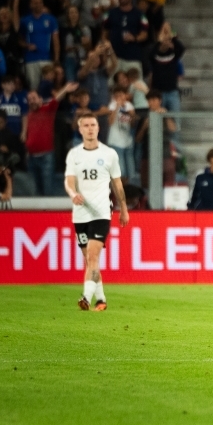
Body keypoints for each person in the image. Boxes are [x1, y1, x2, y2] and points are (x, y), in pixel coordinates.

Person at [65, 113, 129, 312]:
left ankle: (86, 296)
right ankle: (101, 299)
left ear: (98, 128)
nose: (90, 128)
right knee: (89, 260)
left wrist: (124, 209)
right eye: (86, 125)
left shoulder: (109, 154)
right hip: (80, 214)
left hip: (101, 212)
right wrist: (72, 193)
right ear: (80, 129)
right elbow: (69, 181)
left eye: (93, 124)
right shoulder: (74, 154)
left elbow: (117, 184)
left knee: (92, 256)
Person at [26, 82, 79, 196]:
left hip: (46, 157)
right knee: (36, 191)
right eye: (29, 99)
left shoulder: (47, 109)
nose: (32, 101)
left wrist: (65, 89)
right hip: (32, 157)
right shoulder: (30, 114)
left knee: (47, 190)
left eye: (34, 98)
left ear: (40, 99)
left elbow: (56, 99)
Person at [103, 0, 148, 78]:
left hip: (132, 57)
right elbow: (104, 33)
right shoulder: (110, 13)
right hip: (114, 57)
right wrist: (106, 46)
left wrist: (134, 38)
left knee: (136, 86)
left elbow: (144, 34)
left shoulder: (139, 14)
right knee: (111, 86)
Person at [18, 0, 60, 90]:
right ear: (30, 5)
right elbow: (19, 40)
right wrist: (27, 45)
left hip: (46, 58)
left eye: (40, 3)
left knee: (48, 86)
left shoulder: (51, 19)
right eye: (35, 3)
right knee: (33, 87)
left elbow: (56, 40)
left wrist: (56, 59)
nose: (38, 5)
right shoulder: (25, 20)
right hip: (30, 59)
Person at [107, 86, 136, 181]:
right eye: (117, 95)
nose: (119, 97)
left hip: (127, 141)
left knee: (130, 171)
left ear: (126, 95)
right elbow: (110, 122)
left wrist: (132, 114)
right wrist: (116, 108)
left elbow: (133, 124)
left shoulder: (129, 105)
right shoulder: (112, 105)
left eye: (122, 95)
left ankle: (128, 192)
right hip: (115, 141)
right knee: (120, 170)